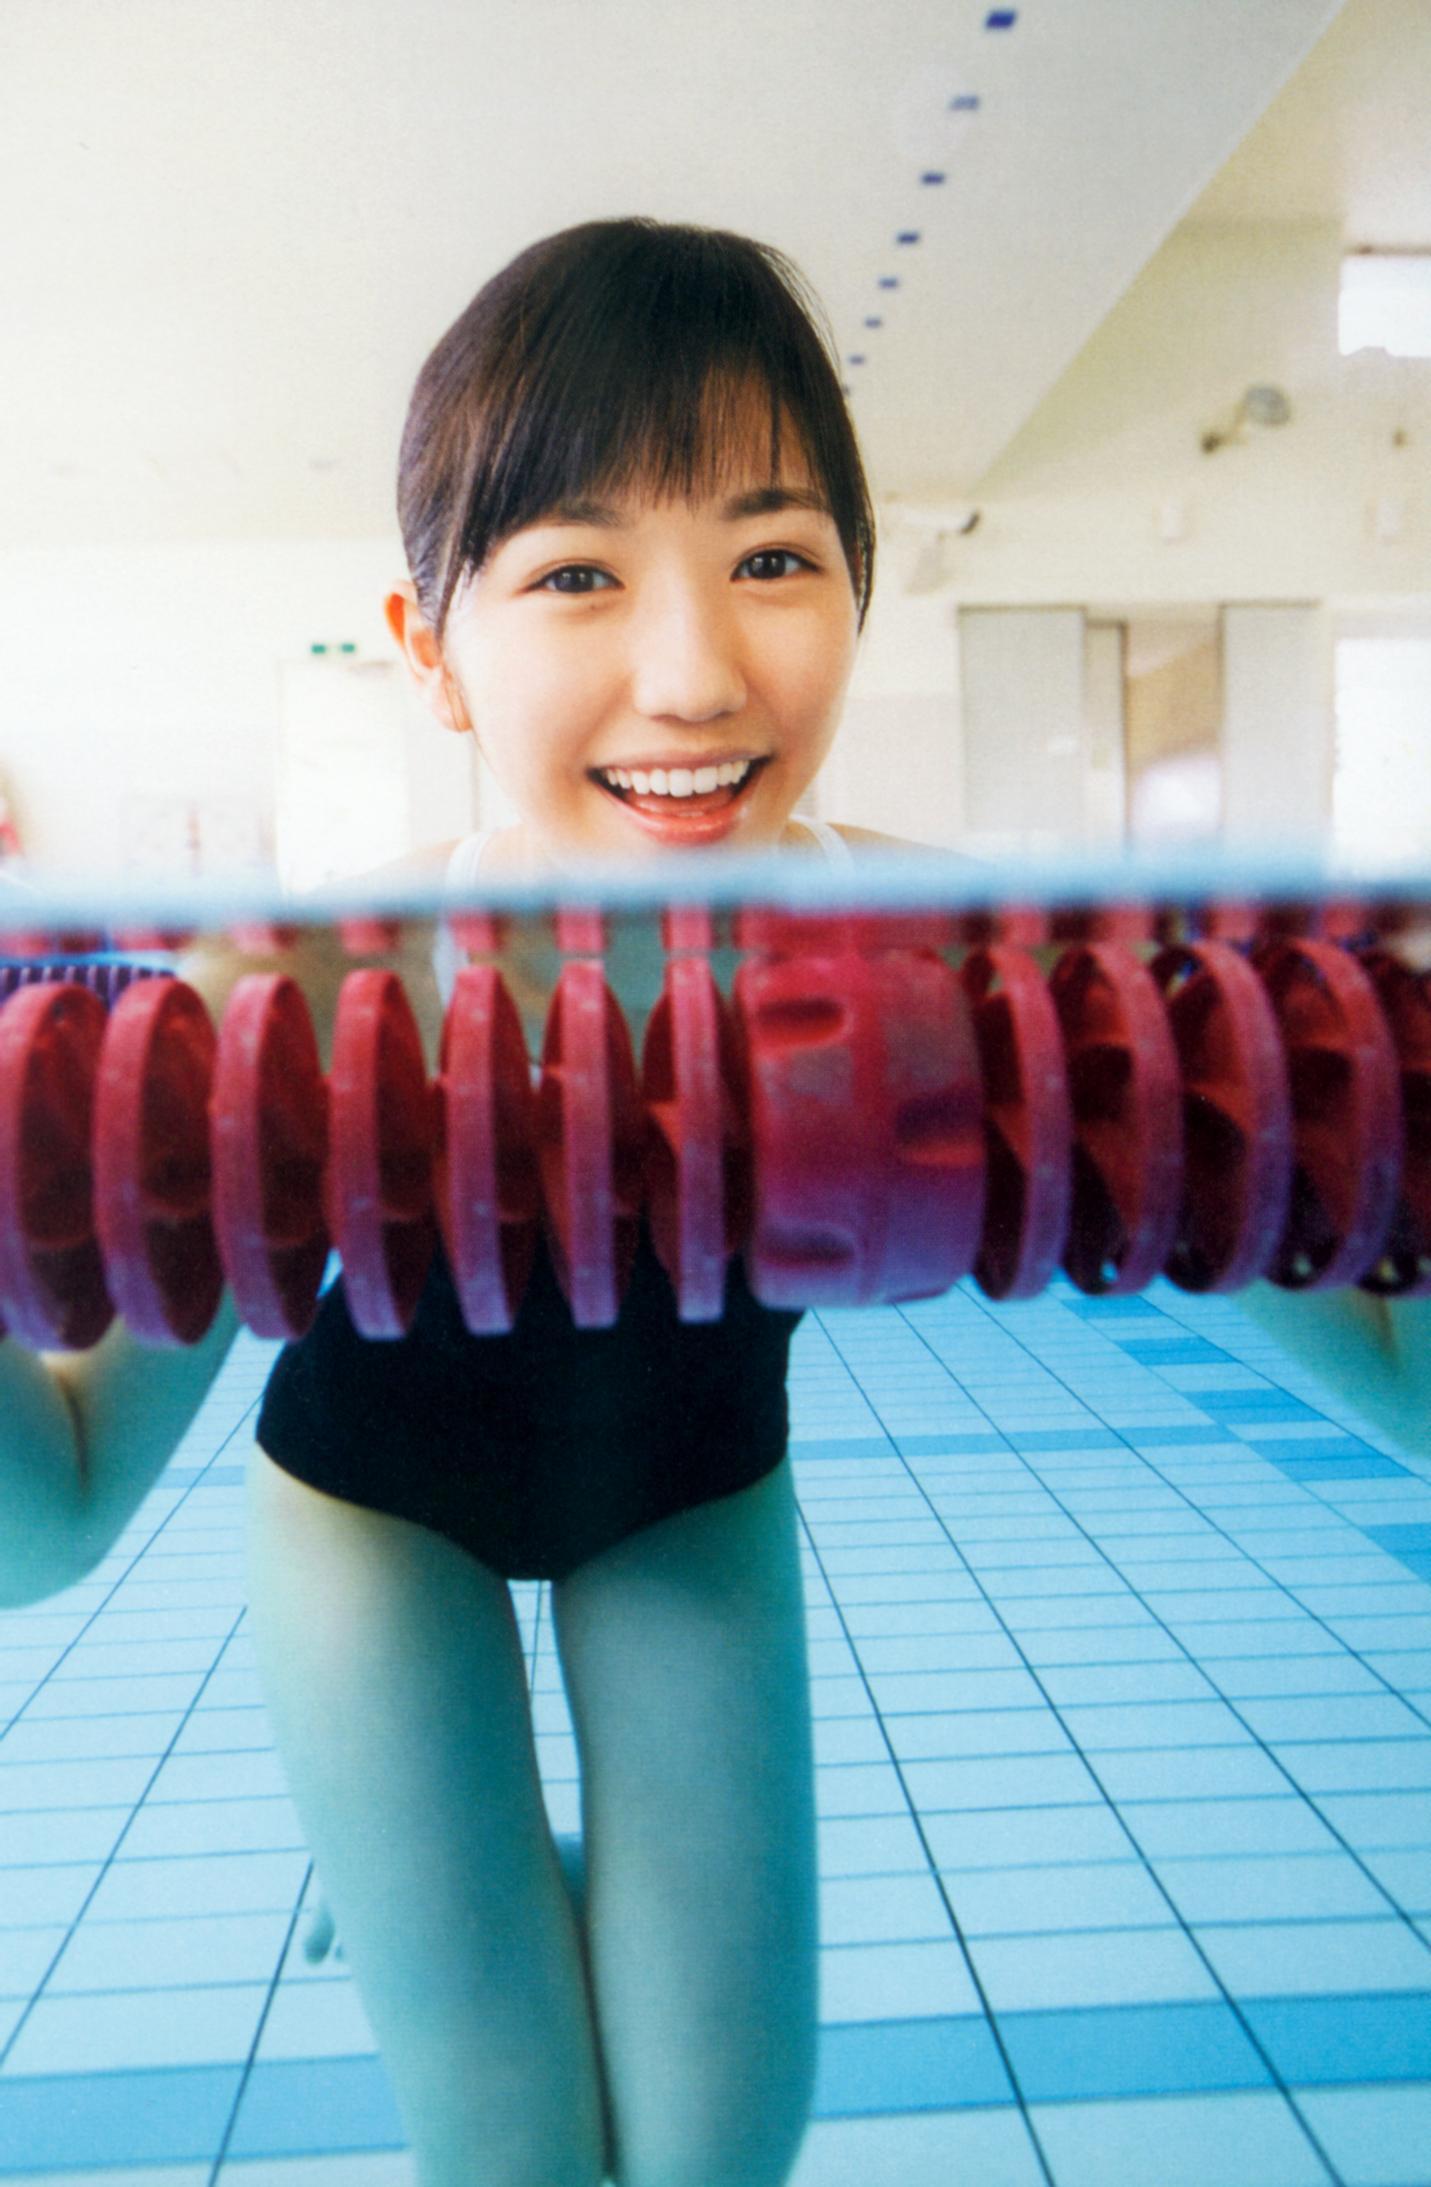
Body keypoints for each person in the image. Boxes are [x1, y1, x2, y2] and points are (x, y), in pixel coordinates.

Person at [0, 216, 1424, 2187]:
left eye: (771, 557)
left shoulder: (953, 967)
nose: (690, 670)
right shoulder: (316, 989)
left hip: (686, 1483)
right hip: (370, 1515)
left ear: (863, 589)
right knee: (515, 2147)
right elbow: (55, 1507)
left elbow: (1376, 1355)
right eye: (574, 571)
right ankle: (443, 1857)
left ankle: (490, 1865)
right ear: (427, 648)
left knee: (714, 2148)